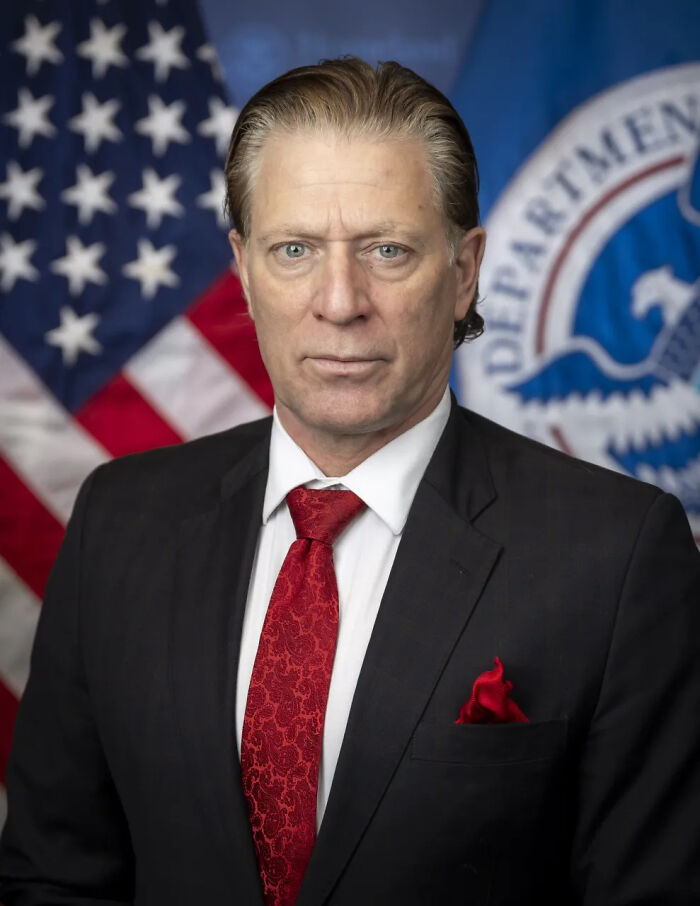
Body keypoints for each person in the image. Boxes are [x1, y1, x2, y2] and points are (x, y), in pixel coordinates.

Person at [1, 57, 699, 906]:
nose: (339, 301)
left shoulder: (618, 555)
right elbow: (53, 880)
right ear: (245, 272)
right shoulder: (120, 520)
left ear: (465, 272)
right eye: (294, 250)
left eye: (388, 250)